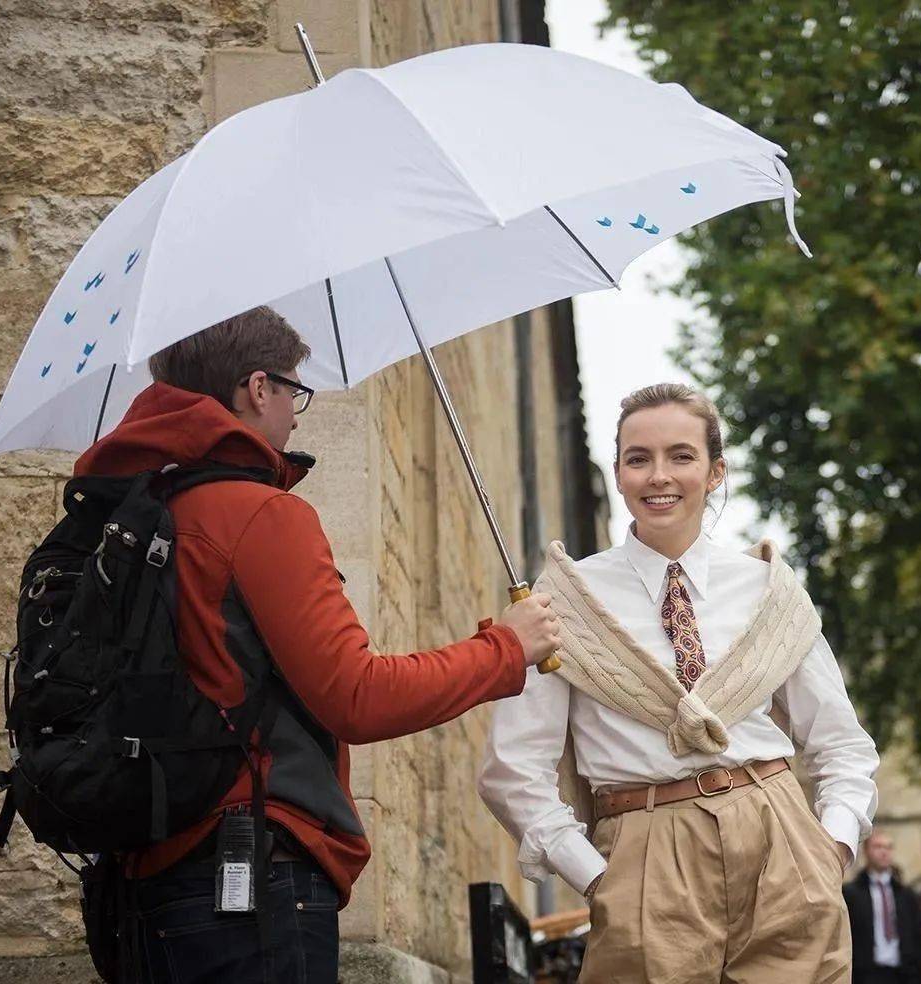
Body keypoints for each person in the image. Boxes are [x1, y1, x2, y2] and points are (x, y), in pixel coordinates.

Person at [73, 305, 560, 983]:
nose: (298, 413)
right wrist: (505, 648)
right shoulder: (261, 516)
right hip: (253, 885)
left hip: (151, 887)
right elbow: (357, 697)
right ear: (257, 388)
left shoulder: (143, 513)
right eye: (293, 389)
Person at [479, 382, 879, 984]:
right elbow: (513, 769)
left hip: (782, 842)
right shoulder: (564, 601)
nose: (658, 476)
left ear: (716, 471)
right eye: (638, 458)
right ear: (617, 473)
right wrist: (599, 876)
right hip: (643, 850)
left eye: (681, 456)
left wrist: (830, 850)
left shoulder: (768, 591)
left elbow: (840, 743)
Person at [843, 828, 921, 984]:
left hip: (902, 973)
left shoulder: (906, 894)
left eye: (888, 847)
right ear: (866, 851)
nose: (884, 852)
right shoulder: (852, 894)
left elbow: (919, 938)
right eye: (878, 847)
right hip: (866, 974)